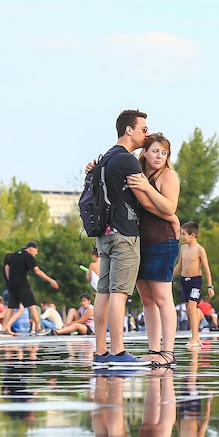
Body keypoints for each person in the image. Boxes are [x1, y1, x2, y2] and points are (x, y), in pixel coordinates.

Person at [90, 109, 153, 369]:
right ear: (129, 129)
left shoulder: (105, 158)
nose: (146, 133)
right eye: (143, 129)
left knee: (103, 292)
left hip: (103, 234)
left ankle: (101, 352)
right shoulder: (128, 161)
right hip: (124, 233)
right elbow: (144, 198)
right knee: (119, 294)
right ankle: (118, 352)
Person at [131, 133, 182, 367]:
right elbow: (149, 207)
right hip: (140, 243)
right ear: (145, 152)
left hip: (162, 241)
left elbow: (169, 206)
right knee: (147, 300)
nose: (159, 156)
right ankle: (153, 349)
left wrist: (147, 188)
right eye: (155, 151)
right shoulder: (138, 172)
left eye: (164, 152)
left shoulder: (168, 176)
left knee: (163, 298)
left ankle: (168, 351)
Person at [172, 221, 212, 353]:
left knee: (190, 308)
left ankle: (194, 337)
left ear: (192, 235)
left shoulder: (200, 250)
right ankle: (198, 320)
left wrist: (209, 286)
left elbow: (206, 268)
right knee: (189, 311)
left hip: (196, 281)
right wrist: (169, 277)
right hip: (184, 281)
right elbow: (180, 265)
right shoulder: (183, 248)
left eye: (183, 234)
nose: (181, 237)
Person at [4, 241, 59, 335]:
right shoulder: (28, 256)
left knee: (11, 307)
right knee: (32, 305)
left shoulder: (15, 254)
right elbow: (37, 271)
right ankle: (39, 328)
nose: (36, 253)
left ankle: (5, 328)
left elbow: (7, 267)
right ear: (30, 248)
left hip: (12, 285)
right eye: (36, 251)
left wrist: (10, 280)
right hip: (22, 285)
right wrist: (51, 280)